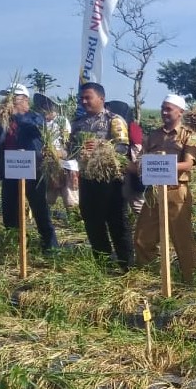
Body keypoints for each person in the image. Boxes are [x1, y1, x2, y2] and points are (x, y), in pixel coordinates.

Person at [0, 83, 58, 252]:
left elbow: (33, 127)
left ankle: (51, 247)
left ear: (25, 100)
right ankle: (19, 245)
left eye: (13, 98)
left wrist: (15, 114)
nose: (8, 101)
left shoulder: (35, 118)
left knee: (40, 210)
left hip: (33, 172)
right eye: (7, 98)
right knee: (10, 213)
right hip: (10, 171)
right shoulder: (3, 121)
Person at [131, 95, 196, 283]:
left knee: (182, 240)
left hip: (176, 191)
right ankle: (149, 277)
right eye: (163, 108)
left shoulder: (189, 135)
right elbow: (141, 161)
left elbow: (188, 164)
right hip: (154, 193)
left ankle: (191, 281)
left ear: (180, 112)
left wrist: (161, 166)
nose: (164, 112)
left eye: (168, 109)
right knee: (142, 238)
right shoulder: (153, 135)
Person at [69, 82, 133, 271]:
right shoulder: (77, 124)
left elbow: (122, 149)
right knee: (92, 221)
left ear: (101, 99)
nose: (84, 101)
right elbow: (71, 150)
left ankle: (126, 265)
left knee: (117, 223)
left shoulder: (114, 120)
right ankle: (103, 263)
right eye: (82, 98)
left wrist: (100, 147)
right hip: (88, 180)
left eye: (88, 97)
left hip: (111, 181)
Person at [34, 93, 78, 210]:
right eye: (42, 105)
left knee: (69, 197)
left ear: (53, 106)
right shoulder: (40, 123)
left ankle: (74, 218)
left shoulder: (61, 121)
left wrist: (58, 152)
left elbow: (67, 142)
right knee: (48, 197)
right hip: (46, 161)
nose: (45, 108)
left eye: (47, 105)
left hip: (64, 162)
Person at [105, 100, 145, 215]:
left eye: (109, 111)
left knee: (137, 203)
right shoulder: (110, 126)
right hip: (119, 171)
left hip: (130, 171)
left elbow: (137, 152)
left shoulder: (132, 128)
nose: (107, 114)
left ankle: (149, 228)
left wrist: (134, 170)